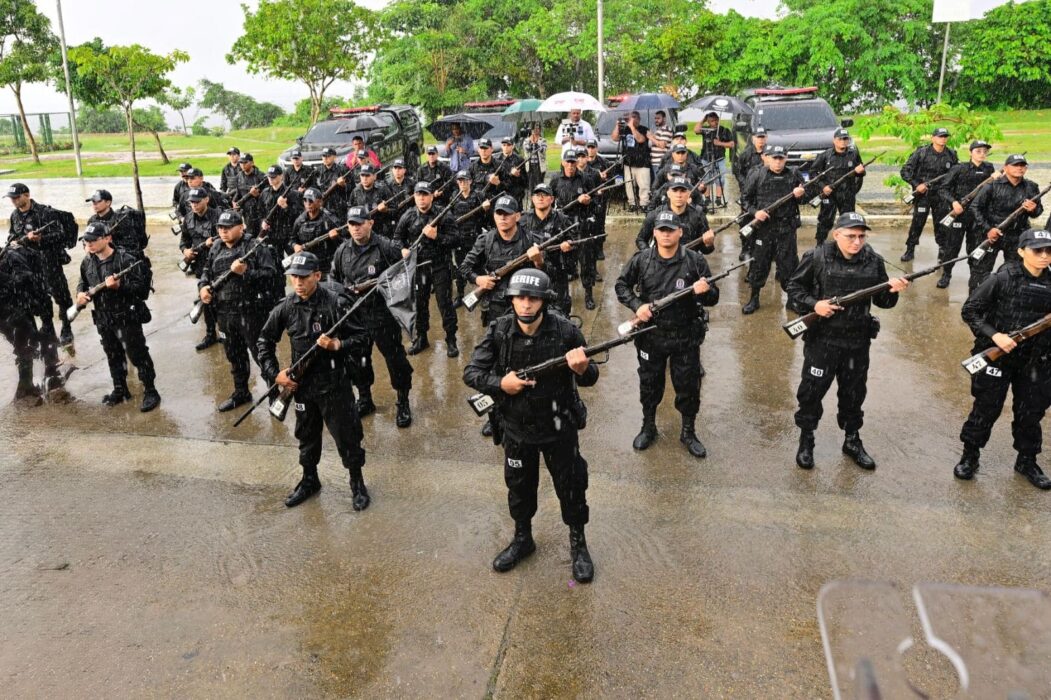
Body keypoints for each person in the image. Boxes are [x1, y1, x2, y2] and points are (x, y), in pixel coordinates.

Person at [463, 268, 599, 583]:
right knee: (520, 488)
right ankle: (523, 539)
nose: (525, 304)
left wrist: (581, 369)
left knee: (572, 486)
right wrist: (502, 383)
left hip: (558, 425)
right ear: (511, 300)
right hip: (516, 427)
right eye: (520, 297)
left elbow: (591, 377)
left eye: (532, 298)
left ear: (543, 301)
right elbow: (471, 372)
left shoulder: (565, 332)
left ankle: (578, 543)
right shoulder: (499, 330)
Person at [786, 212, 909, 470]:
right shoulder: (817, 257)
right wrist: (814, 305)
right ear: (837, 234)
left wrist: (893, 291)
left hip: (857, 342)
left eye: (862, 236)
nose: (857, 242)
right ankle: (806, 439)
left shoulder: (872, 260)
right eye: (851, 236)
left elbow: (883, 302)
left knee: (853, 394)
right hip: (823, 341)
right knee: (811, 392)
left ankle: (852, 440)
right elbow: (795, 288)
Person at [258, 251, 371, 510]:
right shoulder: (286, 306)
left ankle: (356, 482)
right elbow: (264, 340)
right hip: (302, 388)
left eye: (303, 277)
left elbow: (363, 338)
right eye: (293, 277)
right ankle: (310, 480)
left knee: (347, 436)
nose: (297, 282)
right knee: (307, 437)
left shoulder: (336, 304)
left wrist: (337, 344)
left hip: (334, 385)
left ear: (317, 276)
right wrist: (275, 373)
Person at [615, 210, 720, 458]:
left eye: (670, 230)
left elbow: (714, 297)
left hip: (685, 335)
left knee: (688, 386)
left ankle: (688, 431)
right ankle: (648, 426)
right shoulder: (641, 260)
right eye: (661, 230)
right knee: (650, 384)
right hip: (651, 336)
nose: (666, 234)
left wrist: (704, 291)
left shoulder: (694, 261)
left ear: (680, 232)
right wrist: (636, 306)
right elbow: (621, 285)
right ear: (654, 232)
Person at [953, 228, 1051, 490]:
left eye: (1049, 251)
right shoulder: (1002, 278)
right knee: (986, 408)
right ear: (1021, 251)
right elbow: (970, 311)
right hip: (998, 358)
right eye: (1037, 250)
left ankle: (1027, 461)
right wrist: (995, 336)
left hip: (1036, 360)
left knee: (1030, 413)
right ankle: (970, 456)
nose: (1044, 256)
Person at [331, 206, 414, 428]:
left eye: (360, 223)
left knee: (395, 359)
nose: (356, 228)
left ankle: (403, 401)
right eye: (351, 224)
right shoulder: (342, 251)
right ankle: (365, 399)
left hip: (381, 314)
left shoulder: (386, 247)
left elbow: (403, 278)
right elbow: (334, 280)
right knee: (357, 359)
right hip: (354, 316)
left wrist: (380, 287)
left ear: (370, 223)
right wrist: (344, 294)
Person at [198, 209, 277, 413]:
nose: (223, 232)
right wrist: (203, 287)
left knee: (262, 355)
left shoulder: (255, 246)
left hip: (251, 312)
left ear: (241, 227)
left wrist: (247, 273)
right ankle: (241, 392)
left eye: (228, 228)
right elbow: (207, 270)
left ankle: (275, 393)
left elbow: (271, 275)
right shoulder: (216, 247)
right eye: (220, 228)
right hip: (224, 313)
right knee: (234, 356)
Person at [75, 221, 160, 412]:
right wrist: (81, 293)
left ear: (108, 238)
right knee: (113, 355)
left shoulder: (126, 260)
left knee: (138, 355)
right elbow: (83, 281)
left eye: (93, 240)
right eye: (86, 240)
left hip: (126, 317)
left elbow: (142, 291)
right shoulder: (88, 260)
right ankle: (120, 389)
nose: (89, 243)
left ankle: (150, 390)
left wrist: (119, 286)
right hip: (103, 318)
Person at [0, 233, 71, 403]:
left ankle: (44, 379)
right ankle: (32, 383)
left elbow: (24, 279)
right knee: (22, 346)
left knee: (27, 343)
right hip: (7, 308)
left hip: (28, 303)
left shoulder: (11, 256)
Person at [394, 181, 459, 357]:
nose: (421, 198)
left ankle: (451, 339)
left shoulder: (444, 214)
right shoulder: (408, 215)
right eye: (418, 195)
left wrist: (437, 236)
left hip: (440, 266)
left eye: (425, 194)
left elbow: (456, 239)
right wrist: (402, 250)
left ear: (431, 196)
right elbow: (397, 238)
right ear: (414, 196)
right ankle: (421, 338)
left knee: (445, 304)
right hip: (419, 268)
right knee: (420, 304)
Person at [739, 145, 806, 315]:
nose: (777, 162)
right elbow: (745, 200)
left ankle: (792, 300)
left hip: (786, 228)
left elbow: (808, 197)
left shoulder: (794, 174)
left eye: (781, 158)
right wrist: (756, 212)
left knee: (789, 266)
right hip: (764, 229)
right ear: (768, 158)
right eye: (774, 158)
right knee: (759, 264)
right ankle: (754, 298)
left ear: (786, 158)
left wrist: (802, 194)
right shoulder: (757, 174)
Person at [7, 182, 74, 346]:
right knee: (40, 299)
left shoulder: (45, 212)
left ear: (27, 195)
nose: (14, 201)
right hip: (29, 266)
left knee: (62, 297)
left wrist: (41, 239)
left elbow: (60, 234)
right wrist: (15, 241)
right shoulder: (14, 216)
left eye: (17, 197)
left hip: (49, 262)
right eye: (12, 198)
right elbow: (12, 236)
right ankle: (49, 329)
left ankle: (66, 327)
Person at [969, 153, 1043, 293]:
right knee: (980, 272)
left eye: (1022, 165)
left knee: (1014, 272)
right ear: (1006, 168)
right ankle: (975, 302)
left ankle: (1006, 302)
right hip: (991, 234)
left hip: (1017, 237)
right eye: (1015, 165)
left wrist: (1033, 209)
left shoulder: (1031, 187)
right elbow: (975, 208)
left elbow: (1038, 212)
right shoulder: (992, 186)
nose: (1019, 168)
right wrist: (988, 228)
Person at [937, 140, 996, 289]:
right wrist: (954, 203)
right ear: (970, 152)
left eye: (984, 151)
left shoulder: (989, 169)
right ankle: (946, 274)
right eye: (978, 151)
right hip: (959, 215)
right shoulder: (959, 169)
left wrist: (997, 179)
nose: (982, 154)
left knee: (975, 248)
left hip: (978, 216)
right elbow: (943, 189)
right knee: (952, 247)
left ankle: (974, 276)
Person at [900, 127, 959, 262]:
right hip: (923, 195)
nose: (943, 139)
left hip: (941, 196)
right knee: (917, 223)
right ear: (933, 138)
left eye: (945, 136)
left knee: (942, 224)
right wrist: (916, 184)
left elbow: (955, 175)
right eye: (940, 136)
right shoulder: (922, 153)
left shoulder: (951, 154)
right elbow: (905, 171)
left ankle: (942, 250)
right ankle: (910, 249)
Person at [549, 151, 597, 309]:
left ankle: (588, 294)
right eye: (567, 162)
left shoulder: (585, 179)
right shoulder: (555, 180)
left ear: (577, 163)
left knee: (586, 261)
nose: (570, 165)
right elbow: (548, 201)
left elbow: (596, 202)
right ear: (562, 162)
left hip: (581, 224)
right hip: (562, 226)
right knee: (564, 261)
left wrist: (587, 201)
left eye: (573, 162)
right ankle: (563, 294)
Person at [519, 183, 575, 315]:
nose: (540, 198)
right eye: (537, 195)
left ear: (552, 199)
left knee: (559, 312)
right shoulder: (523, 220)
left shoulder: (562, 220)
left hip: (556, 274)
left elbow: (575, 244)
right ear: (532, 199)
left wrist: (568, 246)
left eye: (544, 195)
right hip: (531, 274)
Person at [180, 187, 223, 351]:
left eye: (197, 202)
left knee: (223, 300)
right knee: (206, 299)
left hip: (218, 264)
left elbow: (228, 236)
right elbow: (183, 241)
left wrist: (213, 243)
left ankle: (226, 333)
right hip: (200, 266)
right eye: (191, 202)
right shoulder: (188, 219)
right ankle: (211, 334)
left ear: (206, 200)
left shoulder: (218, 216)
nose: (194, 205)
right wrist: (186, 251)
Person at [812, 128, 866, 245]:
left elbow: (861, 173)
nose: (843, 141)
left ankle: (846, 244)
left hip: (847, 194)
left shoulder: (854, 154)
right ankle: (819, 245)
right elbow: (813, 173)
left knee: (848, 221)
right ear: (834, 140)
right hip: (829, 194)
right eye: (840, 139)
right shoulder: (825, 155)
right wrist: (823, 187)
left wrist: (860, 171)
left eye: (845, 139)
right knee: (825, 220)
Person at [635, 178, 714, 253]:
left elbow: (705, 250)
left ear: (689, 194)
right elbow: (640, 239)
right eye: (675, 190)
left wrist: (709, 244)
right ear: (668, 193)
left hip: (689, 263)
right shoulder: (656, 214)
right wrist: (650, 255)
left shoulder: (698, 215)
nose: (678, 195)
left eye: (683, 191)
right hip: (662, 263)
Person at [449, 170, 489, 303]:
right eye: (460, 181)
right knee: (461, 267)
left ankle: (483, 292)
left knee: (479, 266)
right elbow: (450, 217)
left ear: (470, 181)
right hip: (460, 239)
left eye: (465, 180)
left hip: (476, 238)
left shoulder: (479, 195)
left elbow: (488, 217)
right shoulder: (454, 196)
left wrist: (486, 208)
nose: (462, 183)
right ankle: (460, 295)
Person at [291, 188, 345, 277]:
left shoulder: (330, 219)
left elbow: (345, 243)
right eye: (305, 200)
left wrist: (335, 238)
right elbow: (292, 239)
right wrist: (295, 246)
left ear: (320, 202)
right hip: (307, 265)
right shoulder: (300, 220)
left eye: (311, 200)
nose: (308, 203)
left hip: (326, 266)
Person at [86, 189, 149, 256]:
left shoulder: (122, 219)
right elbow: (87, 241)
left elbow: (132, 245)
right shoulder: (92, 221)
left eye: (98, 201)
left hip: (123, 259)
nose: (94, 204)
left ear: (108, 202)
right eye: (93, 202)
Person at [611, 110, 651, 211]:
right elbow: (614, 138)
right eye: (630, 117)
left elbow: (641, 139)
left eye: (634, 117)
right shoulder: (625, 129)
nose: (631, 119)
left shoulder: (644, 129)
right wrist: (617, 126)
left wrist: (632, 127)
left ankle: (644, 204)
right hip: (628, 162)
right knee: (629, 185)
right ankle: (632, 203)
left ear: (638, 118)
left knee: (644, 185)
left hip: (642, 163)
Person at [694, 112, 734, 206]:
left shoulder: (724, 130)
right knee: (706, 179)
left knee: (720, 179)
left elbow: (732, 144)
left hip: (719, 158)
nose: (715, 122)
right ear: (708, 121)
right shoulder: (705, 129)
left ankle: (719, 199)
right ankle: (707, 198)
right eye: (712, 121)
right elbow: (696, 130)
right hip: (705, 158)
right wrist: (703, 120)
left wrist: (720, 143)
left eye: (716, 120)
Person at [348, 163, 395, 238]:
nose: (364, 178)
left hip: (382, 232)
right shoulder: (355, 192)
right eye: (362, 175)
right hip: (363, 233)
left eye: (367, 175)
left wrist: (385, 210)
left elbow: (395, 209)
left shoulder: (383, 189)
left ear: (374, 176)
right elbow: (349, 212)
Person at [313, 147, 351, 221]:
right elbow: (314, 187)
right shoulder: (317, 171)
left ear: (334, 157)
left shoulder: (343, 169)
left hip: (338, 206)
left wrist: (343, 185)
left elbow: (351, 188)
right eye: (323, 156)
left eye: (328, 156)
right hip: (322, 205)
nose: (325, 158)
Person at [233, 153, 266, 237]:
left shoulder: (261, 176)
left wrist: (258, 195)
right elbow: (238, 193)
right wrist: (234, 202)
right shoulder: (239, 177)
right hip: (247, 214)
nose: (242, 165)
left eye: (245, 162)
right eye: (241, 163)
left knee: (261, 238)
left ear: (252, 163)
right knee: (249, 237)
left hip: (261, 213)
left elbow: (268, 196)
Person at [496, 136, 527, 205]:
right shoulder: (496, 160)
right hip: (501, 195)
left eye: (508, 145)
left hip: (516, 195)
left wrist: (518, 175)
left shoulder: (519, 160)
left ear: (513, 146)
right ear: (501, 146)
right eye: (504, 145)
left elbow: (525, 181)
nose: (506, 147)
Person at [521, 125, 548, 195]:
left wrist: (536, 143)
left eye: (537, 128)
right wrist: (531, 142)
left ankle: (540, 197)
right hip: (530, 166)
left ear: (540, 130)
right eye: (534, 129)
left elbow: (543, 150)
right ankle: (532, 201)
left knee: (540, 184)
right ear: (531, 130)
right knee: (531, 184)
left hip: (539, 166)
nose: (536, 130)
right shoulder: (526, 140)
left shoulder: (543, 140)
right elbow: (527, 149)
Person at [649, 110, 674, 176]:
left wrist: (650, 137)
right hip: (654, 162)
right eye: (655, 118)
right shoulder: (658, 130)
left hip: (661, 162)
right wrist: (652, 135)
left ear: (664, 119)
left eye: (658, 118)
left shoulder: (666, 129)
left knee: (660, 184)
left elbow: (662, 145)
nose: (656, 120)